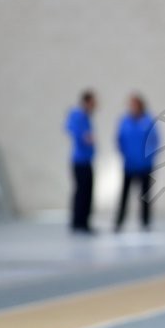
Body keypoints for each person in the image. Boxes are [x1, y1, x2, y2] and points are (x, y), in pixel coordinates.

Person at [115, 94, 158, 232]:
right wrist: (125, 155)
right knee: (124, 195)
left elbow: (155, 140)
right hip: (129, 165)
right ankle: (119, 221)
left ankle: (145, 222)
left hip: (145, 165)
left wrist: (149, 157)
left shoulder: (148, 121)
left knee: (145, 196)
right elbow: (119, 139)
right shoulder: (125, 121)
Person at [65, 90, 96, 234]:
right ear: (86, 102)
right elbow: (69, 128)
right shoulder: (78, 115)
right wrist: (84, 136)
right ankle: (78, 222)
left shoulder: (86, 117)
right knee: (81, 192)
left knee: (87, 192)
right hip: (80, 161)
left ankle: (83, 221)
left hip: (87, 159)